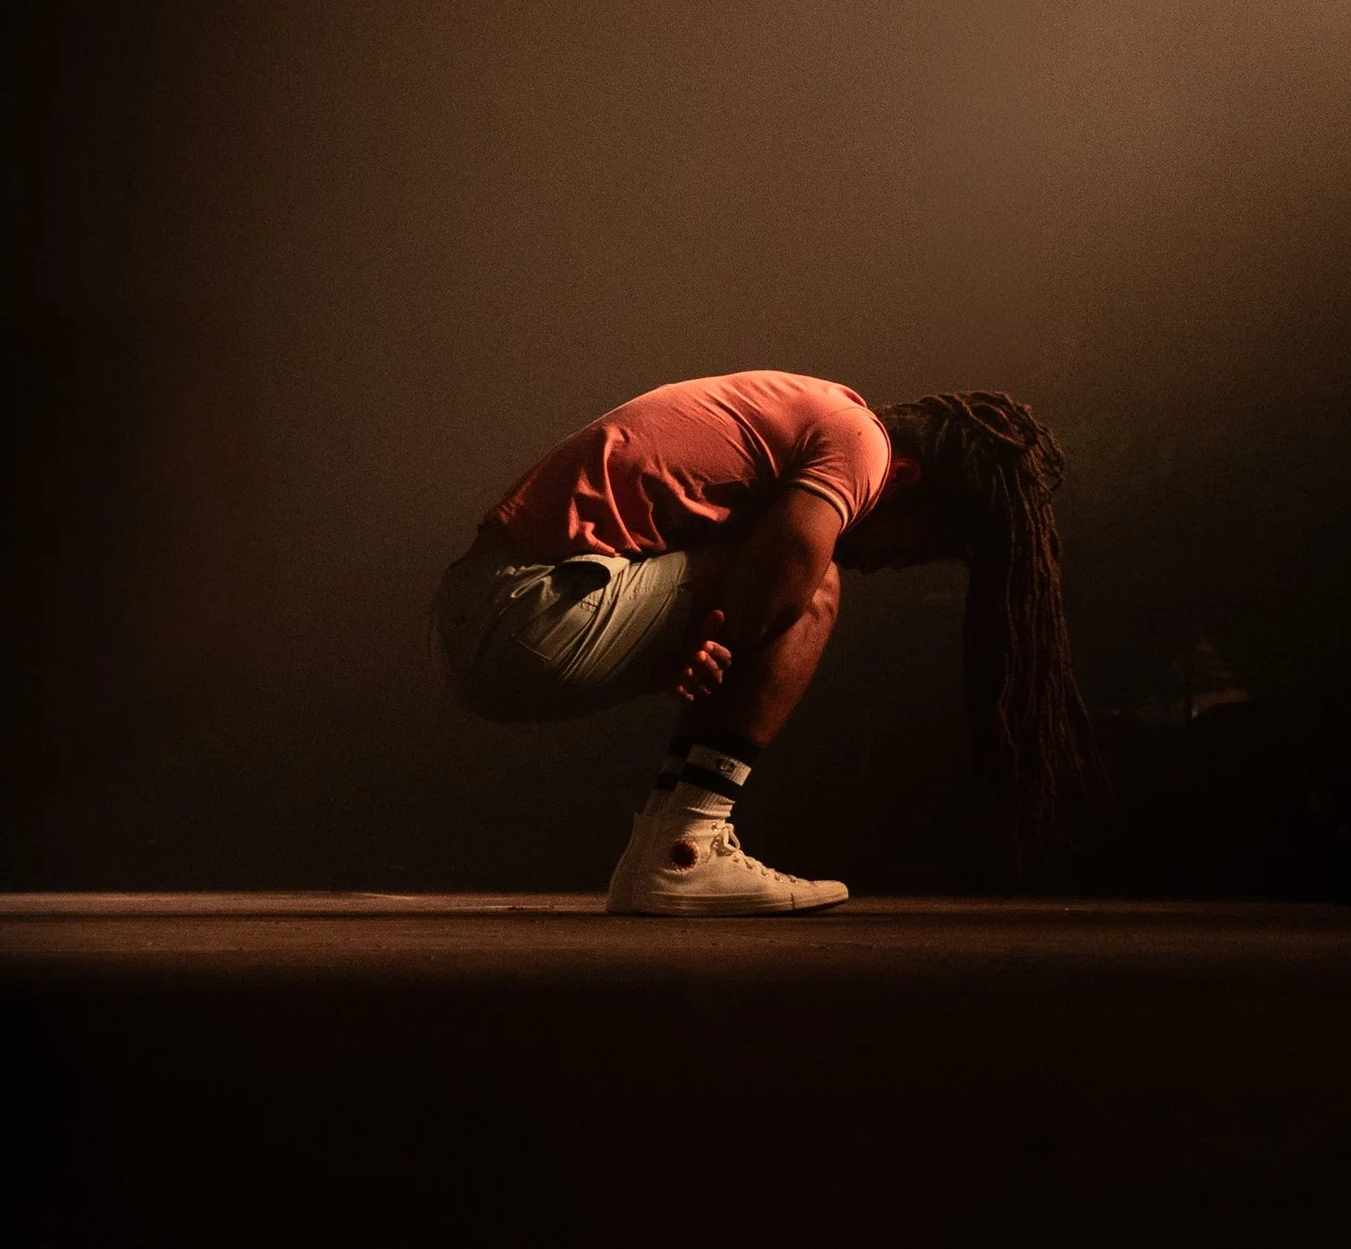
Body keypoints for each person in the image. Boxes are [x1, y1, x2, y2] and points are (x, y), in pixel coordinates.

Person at [432, 370, 1094, 915]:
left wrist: (721, 629)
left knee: (793, 571)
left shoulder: (817, 412)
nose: (896, 563)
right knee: (817, 579)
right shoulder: (860, 441)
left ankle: (665, 854)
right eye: (920, 545)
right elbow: (795, 558)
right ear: (908, 479)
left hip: (493, 609)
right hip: (522, 608)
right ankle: (684, 848)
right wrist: (731, 630)